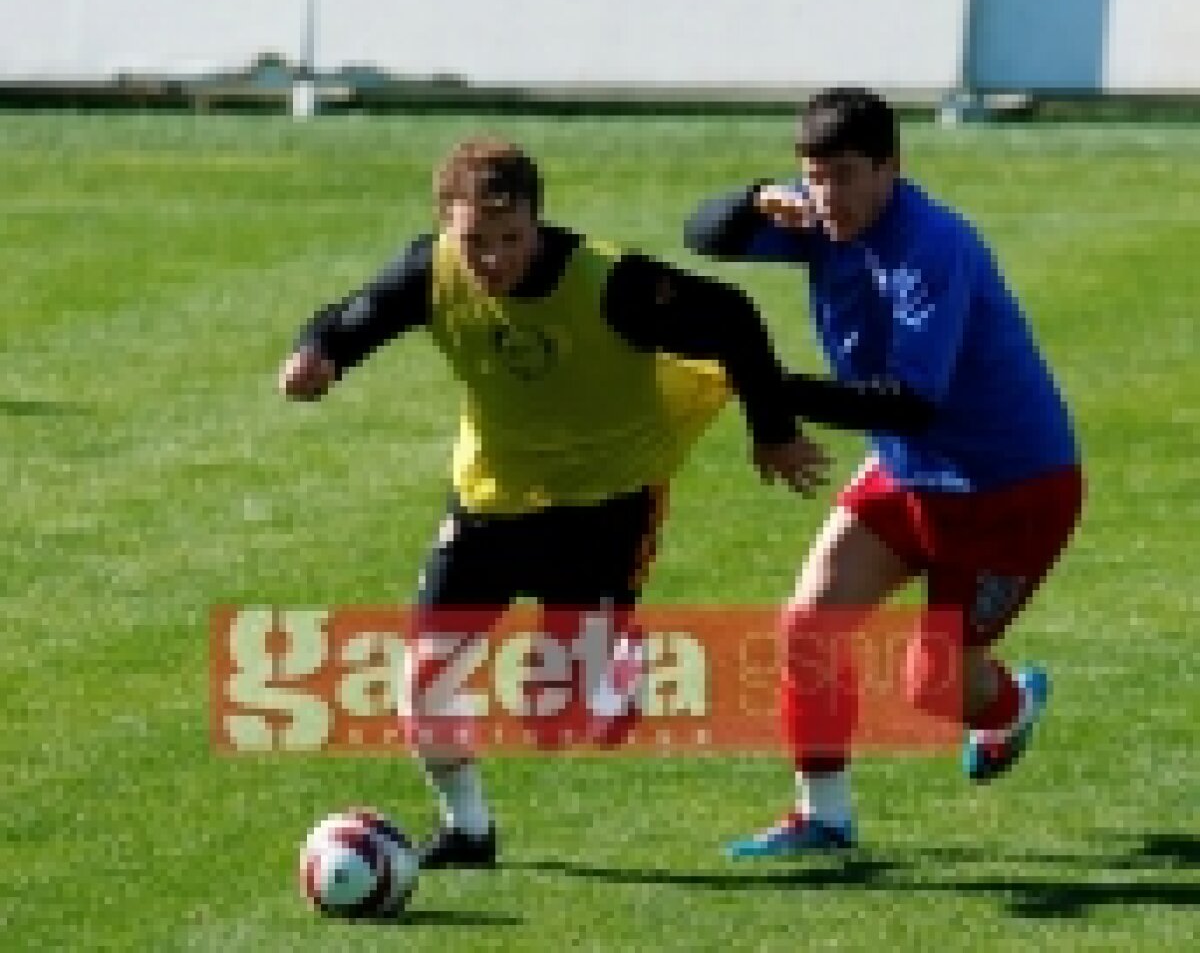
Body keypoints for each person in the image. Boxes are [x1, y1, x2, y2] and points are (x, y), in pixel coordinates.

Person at [279, 135, 828, 868]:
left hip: (607, 507)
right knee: (424, 679)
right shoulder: (430, 271)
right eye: (475, 242)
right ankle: (468, 831)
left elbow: (729, 315)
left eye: (511, 238)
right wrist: (317, 354)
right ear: (446, 225)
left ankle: (619, 666)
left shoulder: (609, 283)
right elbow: (353, 315)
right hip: (492, 500)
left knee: (562, 722)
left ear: (537, 221)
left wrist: (774, 432)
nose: (493, 259)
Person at [684, 87, 1083, 855]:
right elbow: (703, 236)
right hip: (909, 472)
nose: (825, 197)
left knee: (935, 687)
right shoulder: (817, 217)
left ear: (889, 167)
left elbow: (909, 402)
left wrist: (772, 388)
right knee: (808, 624)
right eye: (814, 176)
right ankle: (825, 817)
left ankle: (1010, 707)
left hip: (1010, 490)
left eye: (843, 176)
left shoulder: (932, 247)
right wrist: (754, 199)